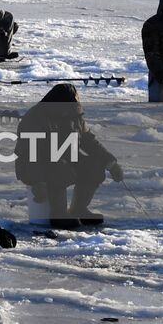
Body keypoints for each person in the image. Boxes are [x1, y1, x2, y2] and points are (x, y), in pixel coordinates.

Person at [15, 83, 123, 227]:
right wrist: (37, 181)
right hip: (34, 165)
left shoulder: (74, 115)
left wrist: (110, 162)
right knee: (61, 168)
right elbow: (30, 153)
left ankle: (79, 209)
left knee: (94, 165)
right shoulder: (35, 118)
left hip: (66, 158)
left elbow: (88, 141)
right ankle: (58, 213)